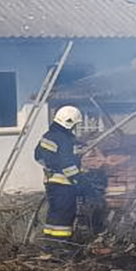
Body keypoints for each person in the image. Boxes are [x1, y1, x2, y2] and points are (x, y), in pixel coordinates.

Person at [35, 104, 103, 255]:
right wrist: (79, 180)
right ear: (69, 122)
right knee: (65, 215)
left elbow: (38, 156)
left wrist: (51, 166)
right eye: (75, 125)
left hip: (50, 182)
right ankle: (62, 247)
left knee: (54, 213)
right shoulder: (64, 139)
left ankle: (49, 244)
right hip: (64, 184)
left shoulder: (49, 136)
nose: (75, 128)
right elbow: (67, 165)